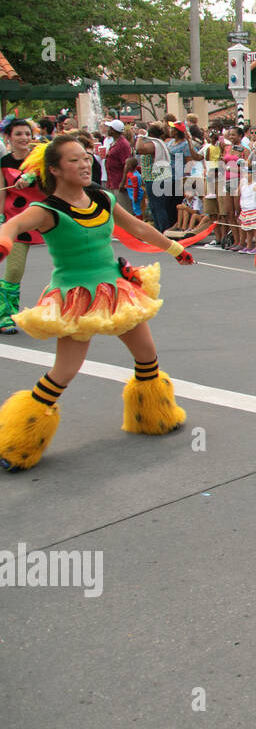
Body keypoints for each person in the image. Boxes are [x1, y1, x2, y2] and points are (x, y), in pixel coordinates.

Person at [0, 135, 194, 471]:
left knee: (147, 357)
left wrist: (176, 249)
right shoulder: (45, 210)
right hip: (76, 297)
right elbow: (13, 225)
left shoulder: (101, 198)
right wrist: (4, 238)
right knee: (65, 371)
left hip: (117, 289)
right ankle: (17, 441)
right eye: (74, 160)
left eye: (86, 157)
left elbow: (138, 228)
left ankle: (152, 416)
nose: (84, 164)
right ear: (55, 169)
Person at [0, 118, 45, 334]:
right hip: (17, 219)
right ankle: (5, 315)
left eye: (27, 134)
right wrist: (1, 219)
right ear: (8, 137)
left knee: (69, 264)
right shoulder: (4, 163)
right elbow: (2, 192)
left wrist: (32, 174)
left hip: (47, 216)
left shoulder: (41, 157)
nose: (24, 138)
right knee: (15, 269)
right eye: (18, 134)